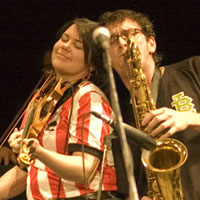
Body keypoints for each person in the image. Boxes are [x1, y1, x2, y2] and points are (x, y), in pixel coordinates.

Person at [0, 18, 119, 200]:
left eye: (77, 45)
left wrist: (39, 151)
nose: (65, 46)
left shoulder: (89, 98)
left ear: (92, 63)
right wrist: (32, 152)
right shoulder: (42, 99)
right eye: (64, 39)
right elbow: (26, 169)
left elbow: (85, 169)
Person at [99, 9, 200, 200]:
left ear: (151, 43)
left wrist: (190, 118)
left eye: (130, 34)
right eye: (113, 40)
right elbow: (130, 190)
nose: (122, 42)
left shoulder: (194, 69)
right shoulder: (118, 122)